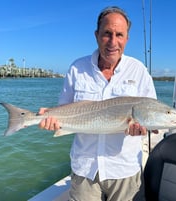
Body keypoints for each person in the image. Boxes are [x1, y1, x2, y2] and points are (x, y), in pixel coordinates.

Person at [39, 6, 157, 201]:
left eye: (119, 35)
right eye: (107, 34)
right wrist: (50, 119)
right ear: (96, 35)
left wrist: (145, 129)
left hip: (124, 170)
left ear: (127, 38)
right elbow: (63, 109)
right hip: (84, 169)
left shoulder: (139, 71)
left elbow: (150, 114)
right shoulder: (78, 68)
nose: (113, 42)